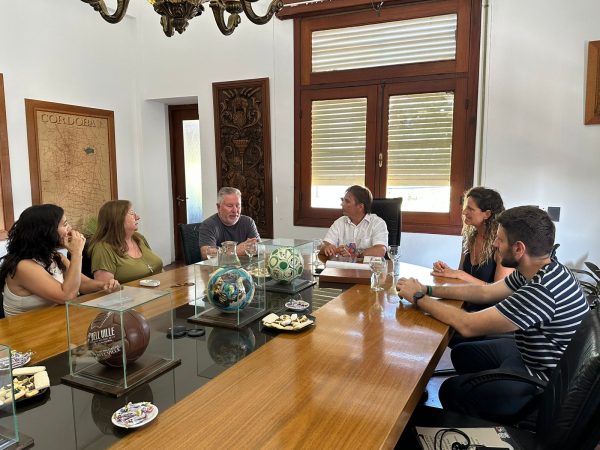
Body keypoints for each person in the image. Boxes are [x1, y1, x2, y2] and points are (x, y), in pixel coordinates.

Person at [396, 206, 589, 421]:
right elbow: (485, 292)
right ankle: (483, 395)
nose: (495, 244)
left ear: (519, 248)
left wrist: (418, 298)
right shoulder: (539, 269)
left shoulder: (542, 290)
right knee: (462, 354)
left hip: (542, 381)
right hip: (531, 356)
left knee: (449, 390)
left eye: (500, 239)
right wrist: (427, 289)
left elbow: (468, 325)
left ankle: (489, 418)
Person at [0, 204, 119, 316]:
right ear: (46, 231)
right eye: (65, 224)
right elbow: (67, 296)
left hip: (52, 322)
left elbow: (83, 284)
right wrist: (76, 253)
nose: (70, 228)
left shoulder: (55, 257)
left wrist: (104, 285)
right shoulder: (23, 266)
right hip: (25, 329)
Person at [431, 187, 513, 285]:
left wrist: (460, 274)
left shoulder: (503, 246)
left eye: (470, 209)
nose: (464, 212)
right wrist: (447, 271)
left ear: (487, 214)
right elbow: (461, 276)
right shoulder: (468, 239)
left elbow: (500, 290)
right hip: (466, 294)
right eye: (466, 207)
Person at [89, 200, 163, 283]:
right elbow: (105, 287)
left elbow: (159, 269)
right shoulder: (103, 249)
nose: (137, 217)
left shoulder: (138, 238)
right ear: (117, 218)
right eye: (132, 213)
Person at [321, 185, 388, 258]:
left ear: (360, 207)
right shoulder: (339, 222)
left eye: (347, 201)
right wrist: (327, 248)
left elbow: (380, 251)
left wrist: (355, 254)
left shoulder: (378, 223)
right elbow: (323, 245)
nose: (342, 204)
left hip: (367, 265)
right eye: (343, 200)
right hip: (342, 265)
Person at [198, 187, 260, 260]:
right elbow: (206, 254)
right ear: (218, 207)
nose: (235, 210)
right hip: (218, 267)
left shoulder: (248, 222)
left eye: (238, 205)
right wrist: (235, 251)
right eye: (230, 206)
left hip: (244, 266)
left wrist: (255, 248)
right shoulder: (208, 225)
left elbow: (259, 248)